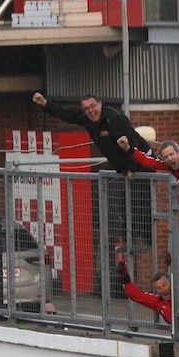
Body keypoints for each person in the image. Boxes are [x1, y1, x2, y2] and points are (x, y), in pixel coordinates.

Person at [32, 91, 153, 251]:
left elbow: (132, 142)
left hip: (140, 161)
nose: (91, 111)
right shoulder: (87, 119)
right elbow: (67, 115)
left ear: (100, 104)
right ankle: (129, 241)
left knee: (139, 202)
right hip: (123, 166)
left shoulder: (114, 119)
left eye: (93, 106)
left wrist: (133, 168)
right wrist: (45, 104)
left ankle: (145, 241)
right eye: (87, 108)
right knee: (123, 205)